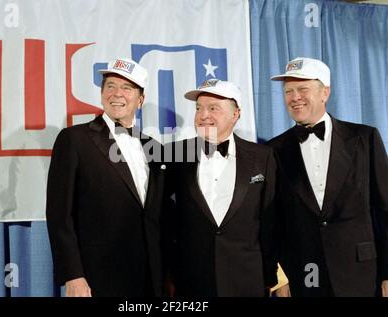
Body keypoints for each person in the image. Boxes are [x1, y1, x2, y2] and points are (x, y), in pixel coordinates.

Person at [267, 57, 388, 297]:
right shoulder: (274, 150)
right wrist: (280, 278)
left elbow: (385, 208)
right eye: (288, 91)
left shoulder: (365, 138)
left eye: (302, 89)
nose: (294, 97)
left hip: (360, 271)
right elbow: (273, 221)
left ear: (325, 92)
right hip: (305, 273)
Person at [46, 57, 166, 297]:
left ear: (140, 100)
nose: (116, 93)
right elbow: (60, 215)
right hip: (97, 278)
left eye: (126, 88)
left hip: (150, 278)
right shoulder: (75, 139)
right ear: (102, 94)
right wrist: (73, 275)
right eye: (110, 86)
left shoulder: (155, 148)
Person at [165, 79, 278, 296]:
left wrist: (268, 274)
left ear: (235, 114)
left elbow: (270, 221)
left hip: (248, 279)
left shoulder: (263, 157)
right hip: (190, 280)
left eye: (213, 108)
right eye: (199, 108)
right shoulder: (173, 154)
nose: (203, 115)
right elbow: (163, 219)